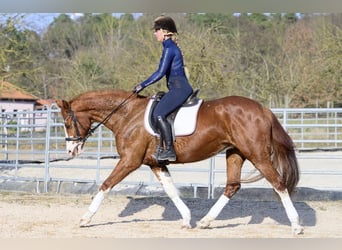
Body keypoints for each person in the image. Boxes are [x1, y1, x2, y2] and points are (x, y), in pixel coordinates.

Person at [133, 15, 193, 162]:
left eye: (157, 30)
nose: (155, 33)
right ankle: (161, 147)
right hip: (176, 87)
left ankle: (169, 151)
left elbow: (160, 73)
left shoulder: (170, 48)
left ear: (165, 32)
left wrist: (142, 85)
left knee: (159, 114)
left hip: (179, 88)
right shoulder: (169, 47)